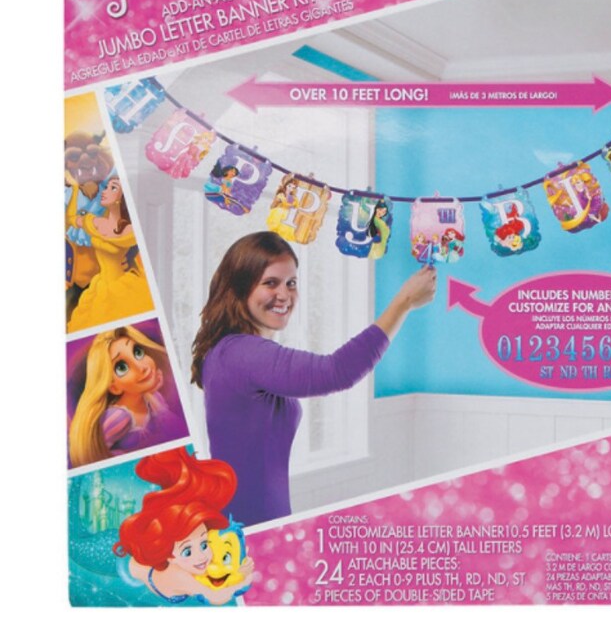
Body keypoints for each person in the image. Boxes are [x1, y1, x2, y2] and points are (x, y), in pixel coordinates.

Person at [191, 231, 437, 526]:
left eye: (291, 283)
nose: (284, 295)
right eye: (270, 283)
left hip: (252, 521)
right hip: (247, 526)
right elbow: (337, 371)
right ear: (240, 287)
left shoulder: (231, 351)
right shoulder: (241, 353)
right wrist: (404, 302)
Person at [114, 447, 254, 605]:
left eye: (204, 544)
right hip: (118, 564)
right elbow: (216, 597)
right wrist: (245, 578)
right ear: (169, 556)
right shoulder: (179, 576)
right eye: (187, 551)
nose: (202, 556)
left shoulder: (183, 562)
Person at [68, 325, 183, 468]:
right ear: (114, 387)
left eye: (138, 352)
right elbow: (94, 458)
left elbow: (175, 429)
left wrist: (153, 395)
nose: (141, 367)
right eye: (122, 367)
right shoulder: (118, 417)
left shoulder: (154, 399)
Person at [66, 176, 154, 332]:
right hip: (99, 289)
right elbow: (72, 218)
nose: (105, 191)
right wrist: (74, 188)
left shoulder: (131, 230)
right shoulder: (97, 223)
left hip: (123, 289)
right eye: (106, 187)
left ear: (123, 197)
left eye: (113, 188)